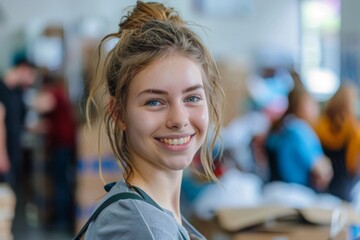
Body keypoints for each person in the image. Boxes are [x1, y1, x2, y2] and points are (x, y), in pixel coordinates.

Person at [82, 1, 223, 239]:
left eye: (192, 97)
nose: (179, 119)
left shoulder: (158, 216)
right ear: (118, 114)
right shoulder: (139, 227)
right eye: (154, 101)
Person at [265, 73, 333, 191]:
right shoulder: (300, 130)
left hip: (277, 190)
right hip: (297, 192)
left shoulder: (285, 126)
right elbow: (321, 170)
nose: (316, 108)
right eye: (313, 103)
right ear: (302, 105)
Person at [32, 73, 76, 232]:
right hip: (64, 143)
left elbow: (40, 106)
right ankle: (61, 217)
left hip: (61, 145)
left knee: (60, 182)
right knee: (61, 181)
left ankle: (61, 220)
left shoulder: (54, 94)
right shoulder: (59, 94)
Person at [314, 82, 360, 201]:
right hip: (344, 192)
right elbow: (353, 167)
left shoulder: (319, 125)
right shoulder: (354, 131)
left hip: (320, 189)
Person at [0, 57, 37, 189]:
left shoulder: (18, 92)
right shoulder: (2, 89)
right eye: (31, 75)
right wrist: (2, 155)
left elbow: (22, 120)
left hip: (15, 152)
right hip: (4, 153)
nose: (32, 81)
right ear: (23, 69)